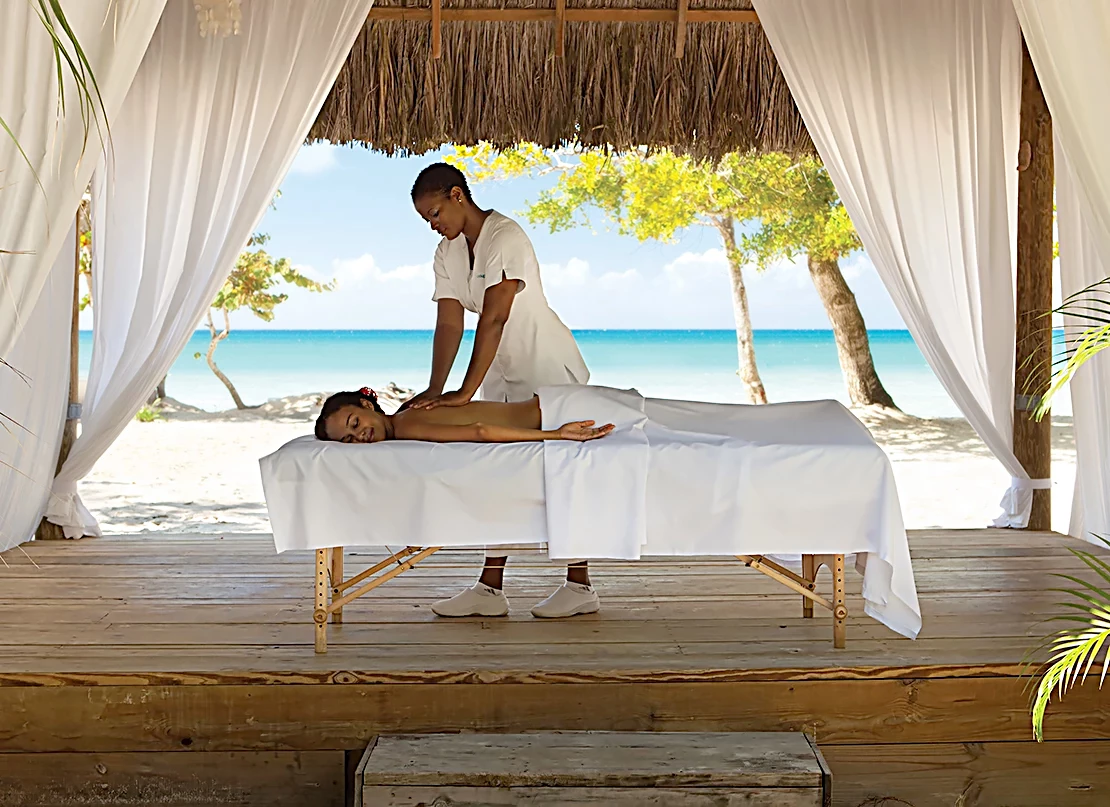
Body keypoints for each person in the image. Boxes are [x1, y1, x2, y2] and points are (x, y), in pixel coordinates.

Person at [404, 161, 595, 618]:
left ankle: (580, 586)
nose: (434, 225)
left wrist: (465, 395)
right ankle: (490, 589)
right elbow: (449, 322)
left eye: (435, 213)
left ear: (456, 195)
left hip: (545, 365)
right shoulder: (447, 252)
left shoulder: (506, 236)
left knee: (562, 473)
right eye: (425, 220)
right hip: (497, 371)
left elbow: (494, 318)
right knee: (498, 470)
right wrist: (436, 390)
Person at [314, 388, 612, 618]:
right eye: (349, 440)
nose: (359, 436)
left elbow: (479, 431)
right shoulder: (407, 415)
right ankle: (491, 590)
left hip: (562, 413)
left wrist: (555, 435)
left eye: (355, 423)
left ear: (368, 405)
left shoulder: (408, 424)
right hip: (552, 406)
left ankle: (572, 588)